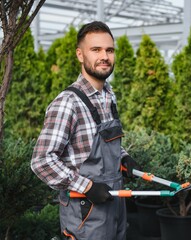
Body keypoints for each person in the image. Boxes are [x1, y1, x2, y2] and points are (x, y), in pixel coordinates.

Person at [31, 21, 139, 240]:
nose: (105, 56)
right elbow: (41, 161)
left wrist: (123, 157)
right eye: (96, 50)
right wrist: (87, 186)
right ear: (80, 55)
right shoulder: (67, 103)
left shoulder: (108, 95)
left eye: (109, 50)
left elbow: (96, 141)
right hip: (85, 212)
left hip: (115, 204)